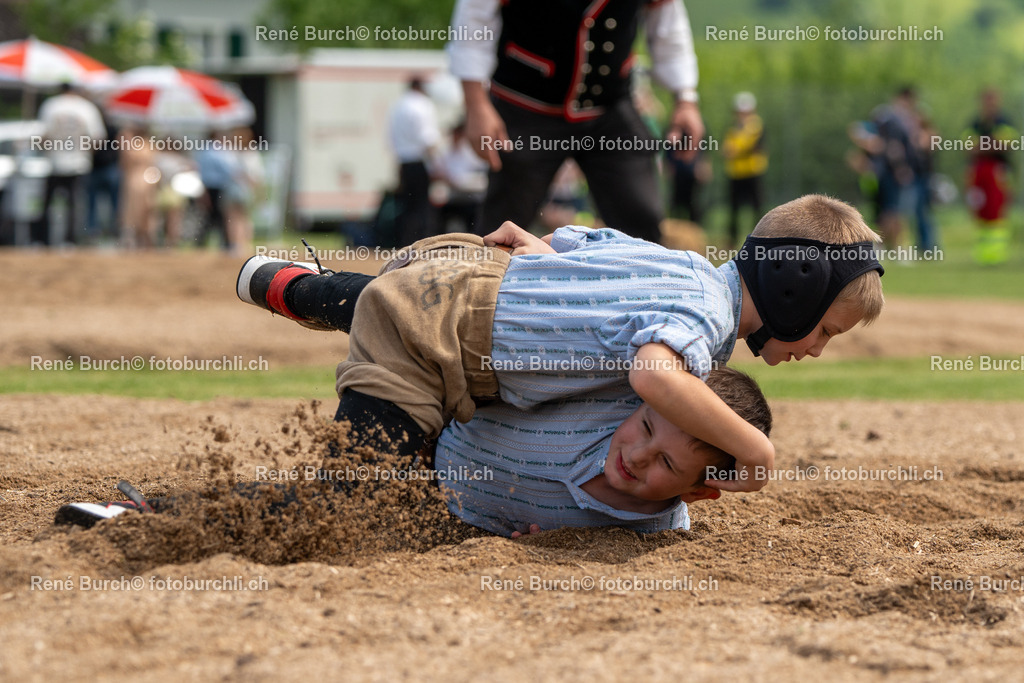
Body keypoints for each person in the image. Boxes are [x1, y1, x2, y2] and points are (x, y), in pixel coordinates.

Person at [447, 0, 705, 243]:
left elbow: (669, 28)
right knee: (504, 224)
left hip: (609, 108)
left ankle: (638, 286)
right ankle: (490, 286)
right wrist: (476, 104)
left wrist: (685, 100)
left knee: (641, 217)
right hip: (525, 107)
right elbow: (473, 21)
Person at [34, 82, 106, 246]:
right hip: (79, 163)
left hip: (54, 162)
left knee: (46, 203)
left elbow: (42, 136)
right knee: (74, 205)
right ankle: (70, 241)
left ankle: (42, 240)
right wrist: (84, 151)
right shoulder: (87, 108)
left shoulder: (50, 105)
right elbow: (97, 138)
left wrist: (50, 149)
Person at [963, 88, 1016, 265]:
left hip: (997, 171)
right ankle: (983, 254)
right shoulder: (976, 123)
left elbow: (1005, 145)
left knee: (996, 209)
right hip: (979, 171)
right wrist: (991, 143)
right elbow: (969, 146)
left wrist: (983, 145)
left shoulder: (1004, 121)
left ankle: (997, 254)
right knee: (980, 209)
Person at [389, 77, 441, 245]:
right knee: (422, 207)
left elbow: (392, 139)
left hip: (404, 162)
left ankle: (405, 243)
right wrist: (437, 164)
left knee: (408, 207)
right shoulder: (422, 104)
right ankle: (424, 244)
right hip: (420, 162)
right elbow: (427, 138)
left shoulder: (398, 106)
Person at [723, 92, 767, 249]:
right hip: (736, 173)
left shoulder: (755, 126)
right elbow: (727, 148)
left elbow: (750, 146)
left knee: (757, 207)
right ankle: (731, 239)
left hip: (753, 172)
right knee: (734, 209)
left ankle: (761, 238)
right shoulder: (734, 128)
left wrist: (734, 150)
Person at [437, 121, 489, 234]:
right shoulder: (445, 152)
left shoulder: (473, 152)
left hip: (472, 196)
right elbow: (437, 172)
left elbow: (482, 174)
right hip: (452, 197)